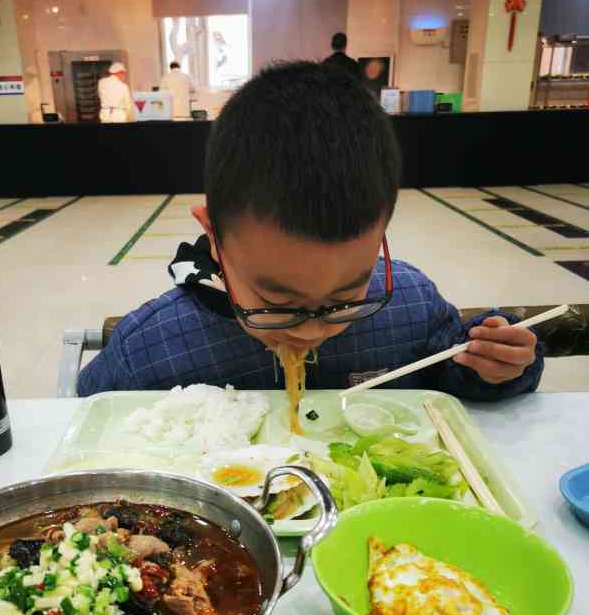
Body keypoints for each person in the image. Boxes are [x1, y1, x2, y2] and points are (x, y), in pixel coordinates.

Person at [78, 61, 541, 400]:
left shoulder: (413, 306)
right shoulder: (152, 349)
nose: (313, 331)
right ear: (214, 238)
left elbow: (452, 373)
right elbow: (87, 420)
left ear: (381, 234)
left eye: (347, 296)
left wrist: (496, 367)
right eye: (279, 304)